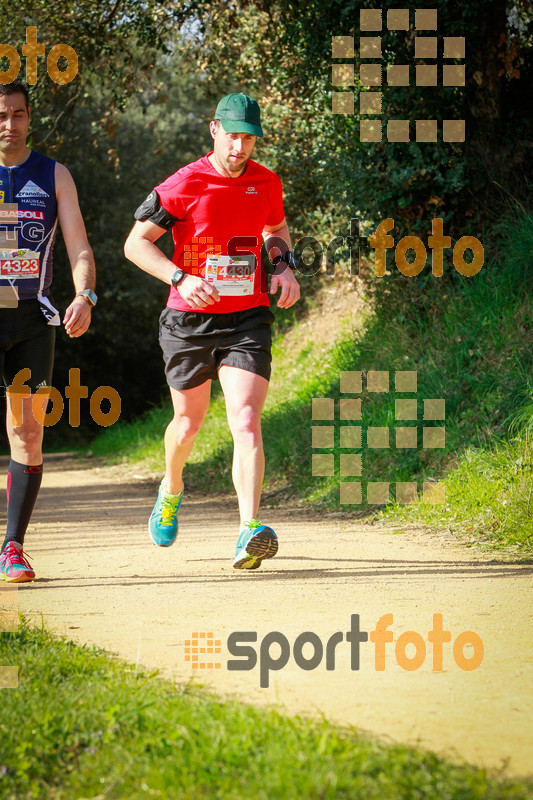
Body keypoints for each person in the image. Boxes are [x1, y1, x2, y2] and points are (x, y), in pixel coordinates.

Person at [124, 92, 299, 570]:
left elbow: (276, 230)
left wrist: (282, 267)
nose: (240, 147)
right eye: (233, 135)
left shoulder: (265, 182)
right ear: (214, 129)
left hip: (247, 316)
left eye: (250, 138)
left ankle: (248, 532)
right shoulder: (185, 183)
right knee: (188, 424)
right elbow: (135, 245)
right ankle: (171, 486)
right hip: (189, 318)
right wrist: (180, 276)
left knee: (244, 419)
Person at [0, 80, 96, 583]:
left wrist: (84, 295)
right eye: (1, 115)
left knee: (27, 431)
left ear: (29, 117)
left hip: (33, 321)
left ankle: (13, 548)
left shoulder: (55, 175)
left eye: (17, 114)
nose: (8, 124)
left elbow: (79, 246)